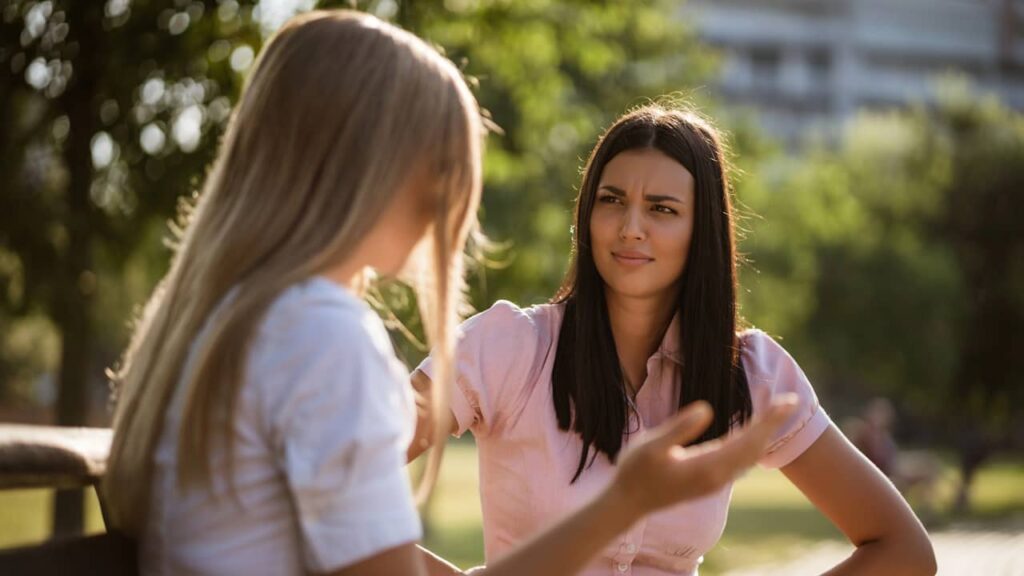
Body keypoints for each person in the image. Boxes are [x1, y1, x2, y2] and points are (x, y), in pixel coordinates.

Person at [100, 11, 798, 576]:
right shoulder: (322, 334)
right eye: (444, 165)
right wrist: (626, 502)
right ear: (371, 166)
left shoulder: (232, 316)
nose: (453, 203)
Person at [409, 104, 937, 575]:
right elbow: (334, 484)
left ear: (702, 229)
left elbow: (903, 550)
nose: (630, 227)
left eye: (662, 209)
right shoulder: (506, 347)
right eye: (611, 200)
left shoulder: (752, 372)